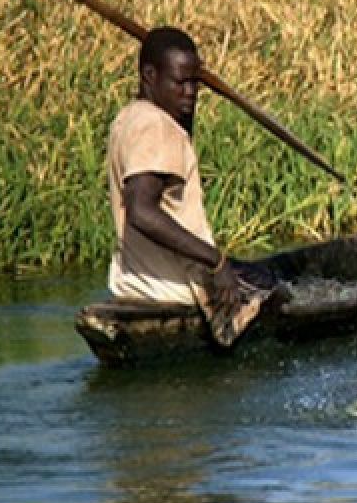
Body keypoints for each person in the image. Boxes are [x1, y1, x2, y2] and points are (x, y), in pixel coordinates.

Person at [107, 26, 275, 345]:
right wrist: (216, 261)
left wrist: (185, 92)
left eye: (195, 83)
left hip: (136, 284)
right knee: (278, 288)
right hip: (176, 291)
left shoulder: (129, 118)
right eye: (180, 83)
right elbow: (141, 211)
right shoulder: (156, 127)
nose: (190, 93)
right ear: (149, 75)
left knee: (260, 275)